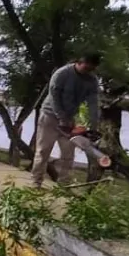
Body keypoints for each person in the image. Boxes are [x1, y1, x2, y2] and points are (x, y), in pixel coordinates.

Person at [31, 53, 102, 187]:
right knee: (43, 151)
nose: (88, 72)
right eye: (86, 68)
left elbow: (93, 103)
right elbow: (54, 98)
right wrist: (61, 117)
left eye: (91, 69)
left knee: (68, 155)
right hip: (50, 116)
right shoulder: (62, 73)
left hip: (69, 120)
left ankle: (64, 185)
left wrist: (93, 126)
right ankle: (36, 181)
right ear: (80, 62)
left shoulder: (92, 80)